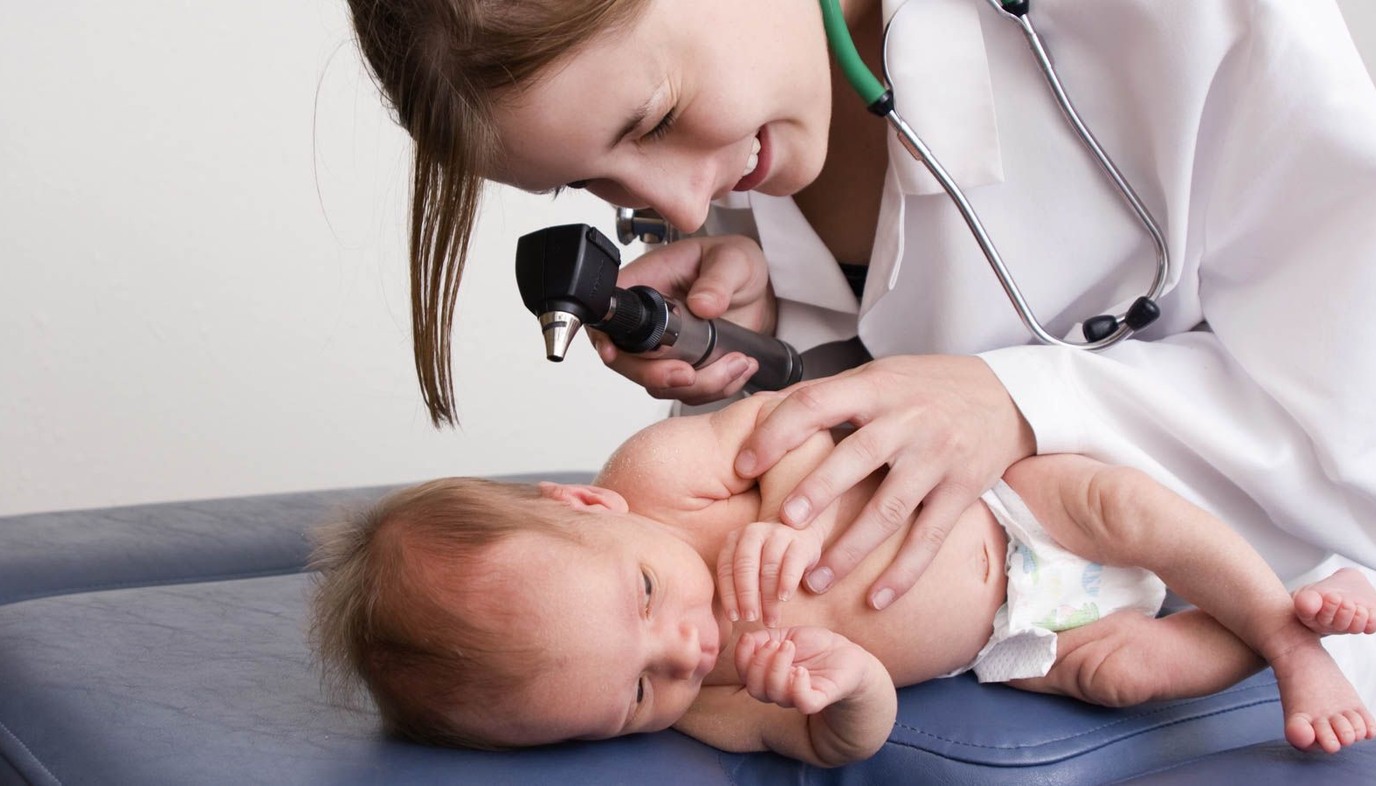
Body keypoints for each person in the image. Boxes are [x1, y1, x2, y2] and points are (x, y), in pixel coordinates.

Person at [344, 0, 1376, 697]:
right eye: (601, 186)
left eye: (652, 118)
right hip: (1065, 643)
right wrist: (783, 336)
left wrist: (1009, 403)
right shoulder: (751, 116)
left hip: (1316, 634)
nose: (677, 202)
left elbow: (1349, 418)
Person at [310, 393, 1375, 765]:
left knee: (1121, 508)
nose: (681, 648)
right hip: (1023, 639)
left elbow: (825, 415)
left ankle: (1289, 647)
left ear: (586, 506)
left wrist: (781, 511)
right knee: (1123, 675)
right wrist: (844, 684)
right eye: (635, 694)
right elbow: (833, 744)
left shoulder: (662, 478)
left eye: (642, 597)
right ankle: (1278, 619)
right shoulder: (717, 708)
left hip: (1013, 507)